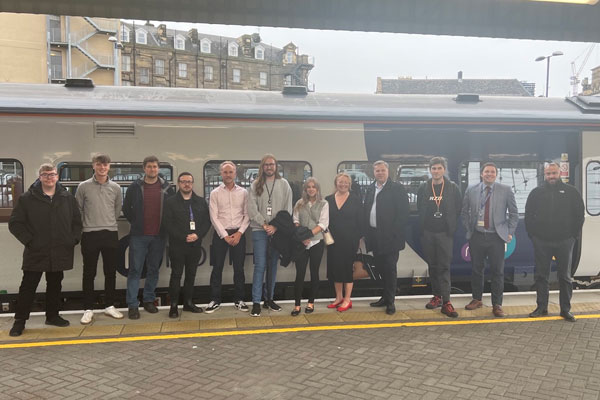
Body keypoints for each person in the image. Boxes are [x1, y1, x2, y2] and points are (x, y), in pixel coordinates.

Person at [8, 163, 82, 337]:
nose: (50, 178)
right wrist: (30, 241)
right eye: (46, 175)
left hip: (60, 250)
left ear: (57, 176)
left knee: (55, 285)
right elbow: (15, 223)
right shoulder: (27, 198)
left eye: (52, 174)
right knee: (28, 286)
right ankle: (19, 322)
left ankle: (53, 316)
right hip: (36, 250)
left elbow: (77, 222)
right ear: (40, 177)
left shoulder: (67, 197)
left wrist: (73, 239)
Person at [525, 162, 584, 322]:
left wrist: (572, 237)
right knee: (541, 276)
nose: (551, 176)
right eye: (548, 174)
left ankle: (565, 310)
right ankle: (541, 307)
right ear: (545, 175)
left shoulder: (572, 192)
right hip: (542, 242)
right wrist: (534, 237)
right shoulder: (536, 193)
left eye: (554, 173)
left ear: (560, 174)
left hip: (565, 241)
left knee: (564, 277)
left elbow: (579, 215)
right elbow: (528, 215)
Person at [461, 162, 518, 317]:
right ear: (481, 174)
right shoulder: (471, 190)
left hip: (496, 237)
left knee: (497, 272)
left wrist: (509, 231)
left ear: (496, 174)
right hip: (477, 236)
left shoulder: (505, 190)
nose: (489, 174)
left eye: (492, 172)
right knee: (476, 270)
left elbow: (514, 213)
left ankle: (497, 304)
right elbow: (464, 211)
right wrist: (468, 229)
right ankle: (477, 299)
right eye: (487, 172)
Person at [123, 156, 173, 319]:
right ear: (144, 168)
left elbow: (172, 210)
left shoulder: (167, 187)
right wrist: (137, 223)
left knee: (153, 269)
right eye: (149, 167)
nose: (152, 169)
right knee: (135, 270)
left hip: (158, 236)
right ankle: (132, 305)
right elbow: (126, 208)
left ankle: (149, 300)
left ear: (158, 169)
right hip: (139, 236)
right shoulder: (135, 187)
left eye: (155, 167)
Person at [76, 154, 124, 324]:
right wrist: (87, 225)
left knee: (110, 272)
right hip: (89, 233)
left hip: (110, 233)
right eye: (99, 164)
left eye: (105, 165)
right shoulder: (83, 187)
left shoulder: (116, 188)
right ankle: (88, 309)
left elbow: (117, 210)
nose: (102, 167)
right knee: (89, 273)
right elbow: (78, 210)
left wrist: (107, 222)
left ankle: (109, 306)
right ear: (93, 166)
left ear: (109, 166)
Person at [247, 154, 292, 317]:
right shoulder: (255, 184)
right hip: (260, 230)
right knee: (260, 266)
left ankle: (269, 299)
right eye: (266, 165)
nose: (269, 167)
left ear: (276, 166)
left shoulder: (284, 184)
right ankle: (256, 302)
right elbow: (251, 209)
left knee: (273, 266)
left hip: (277, 231)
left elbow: (287, 210)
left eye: (272, 164)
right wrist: (265, 224)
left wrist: (275, 226)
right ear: (262, 167)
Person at [417, 157, 462, 318]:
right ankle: (436, 296)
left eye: (439, 168)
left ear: (444, 170)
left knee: (444, 267)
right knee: (433, 266)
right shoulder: (424, 187)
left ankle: (447, 302)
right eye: (433, 168)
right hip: (428, 233)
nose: (436, 171)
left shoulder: (452, 187)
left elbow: (458, 208)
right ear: (430, 170)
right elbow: (419, 207)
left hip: (444, 234)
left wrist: (450, 226)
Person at [163, 172, 210, 318]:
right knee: (176, 275)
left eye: (189, 181)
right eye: (183, 181)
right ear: (178, 183)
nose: (186, 184)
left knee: (191, 275)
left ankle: (188, 303)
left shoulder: (201, 202)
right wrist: (183, 237)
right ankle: (174, 306)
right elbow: (167, 224)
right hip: (177, 245)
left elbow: (206, 222)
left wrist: (198, 235)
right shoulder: (170, 202)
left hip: (195, 245)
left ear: (192, 183)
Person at [365, 161, 409, 315]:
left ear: (388, 172)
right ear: (374, 172)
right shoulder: (371, 188)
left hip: (390, 238)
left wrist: (394, 233)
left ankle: (390, 302)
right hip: (375, 236)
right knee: (381, 269)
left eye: (382, 170)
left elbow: (403, 214)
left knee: (390, 270)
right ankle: (384, 297)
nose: (380, 173)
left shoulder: (397, 188)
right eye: (377, 171)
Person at [208, 161, 250, 313]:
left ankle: (239, 299)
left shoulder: (244, 193)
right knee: (217, 267)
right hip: (221, 235)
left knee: (239, 268)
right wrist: (225, 236)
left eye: (230, 172)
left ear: (235, 174)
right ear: (221, 174)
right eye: (225, 172)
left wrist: (239, 233)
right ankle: (215, 299)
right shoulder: (215, 193)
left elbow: (247, 214)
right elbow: (214, 217)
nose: (228, 175)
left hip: (239, 233)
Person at [325, 172, 363, 312]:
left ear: (349, 184)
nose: (343, 184)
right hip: (333, 241)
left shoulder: (356, 199)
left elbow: (361, 221)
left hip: (350, 240)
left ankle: (347, 299)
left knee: (347, 269)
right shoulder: (328, 200)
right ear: (336, 183)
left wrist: (359, 238)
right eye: (340, 182)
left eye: (346, 182)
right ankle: (339, 297)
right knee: (335, 268)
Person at [291, 178, 329, 316]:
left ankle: (310, 303)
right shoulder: (299, 203)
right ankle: (296, 305)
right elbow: (295, 220)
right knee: (299, 274)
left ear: (317, 189)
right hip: (302, 244)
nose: (311, 189)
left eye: (314, 187)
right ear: (305, 189)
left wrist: (308, 235)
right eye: (308, 187)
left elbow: (323, 224)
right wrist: (303, 237)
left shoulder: (324, 204)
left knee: (314, 273)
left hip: (316, 243)